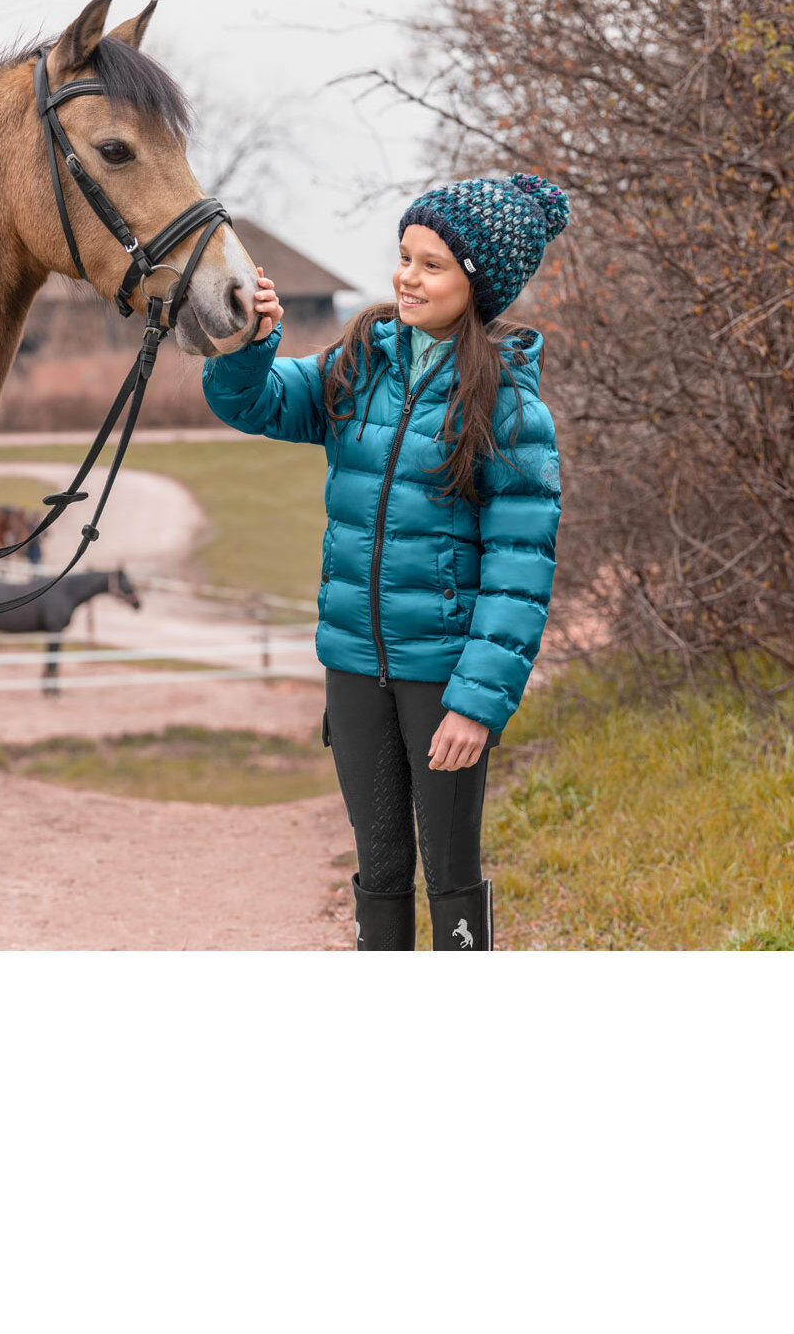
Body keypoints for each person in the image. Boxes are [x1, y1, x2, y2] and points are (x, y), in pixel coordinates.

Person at [201, 174, 568, 950]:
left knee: (449, 864)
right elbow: (254, 402)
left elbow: (519, 569)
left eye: (432, 264)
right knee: (380, 865)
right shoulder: (359, 363)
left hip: (443, 676)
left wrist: (477, 701)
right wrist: (251, 341)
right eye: (405, 256)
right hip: (354, 667)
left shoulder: (510, 409)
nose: (407, 276)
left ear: (480, 282)